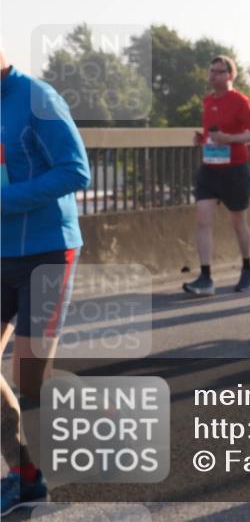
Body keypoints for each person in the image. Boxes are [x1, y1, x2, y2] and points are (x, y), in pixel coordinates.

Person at [1, 51, 91, 514]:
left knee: (29, 379)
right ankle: (24, 474)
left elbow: (76, 170)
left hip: (47, 251)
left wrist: (6, 198)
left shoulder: (37, 97)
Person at [183, 55, 250, 297]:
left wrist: (230, 139)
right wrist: (204, 140)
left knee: (238, 221)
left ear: (229, 75)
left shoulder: (240, 101)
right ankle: (206, 277)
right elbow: (214, 134)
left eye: (218, 71)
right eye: (211, 71)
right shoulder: (208, 101)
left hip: (234, 169)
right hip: (210, 168)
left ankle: (248, 267)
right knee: (202, 219)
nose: (213, 76)